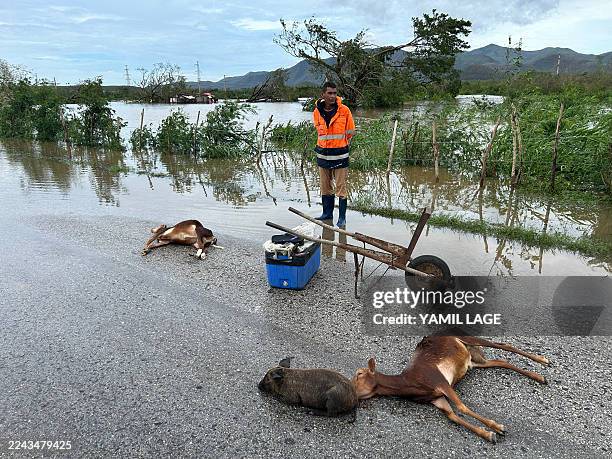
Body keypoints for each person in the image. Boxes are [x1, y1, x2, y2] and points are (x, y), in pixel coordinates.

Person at [312, 81, 355, 227]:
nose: (332, 96)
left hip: (340, 156)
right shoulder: (316, 111)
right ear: (323, 94)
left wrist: (339, 145)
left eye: (334, 93)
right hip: (323, 156)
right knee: (325, 187)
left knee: (341, 189)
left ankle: (342, 218)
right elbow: (319, 132)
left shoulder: (344, 110)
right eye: (329, 93)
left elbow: (350, 132)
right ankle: (327, 214)